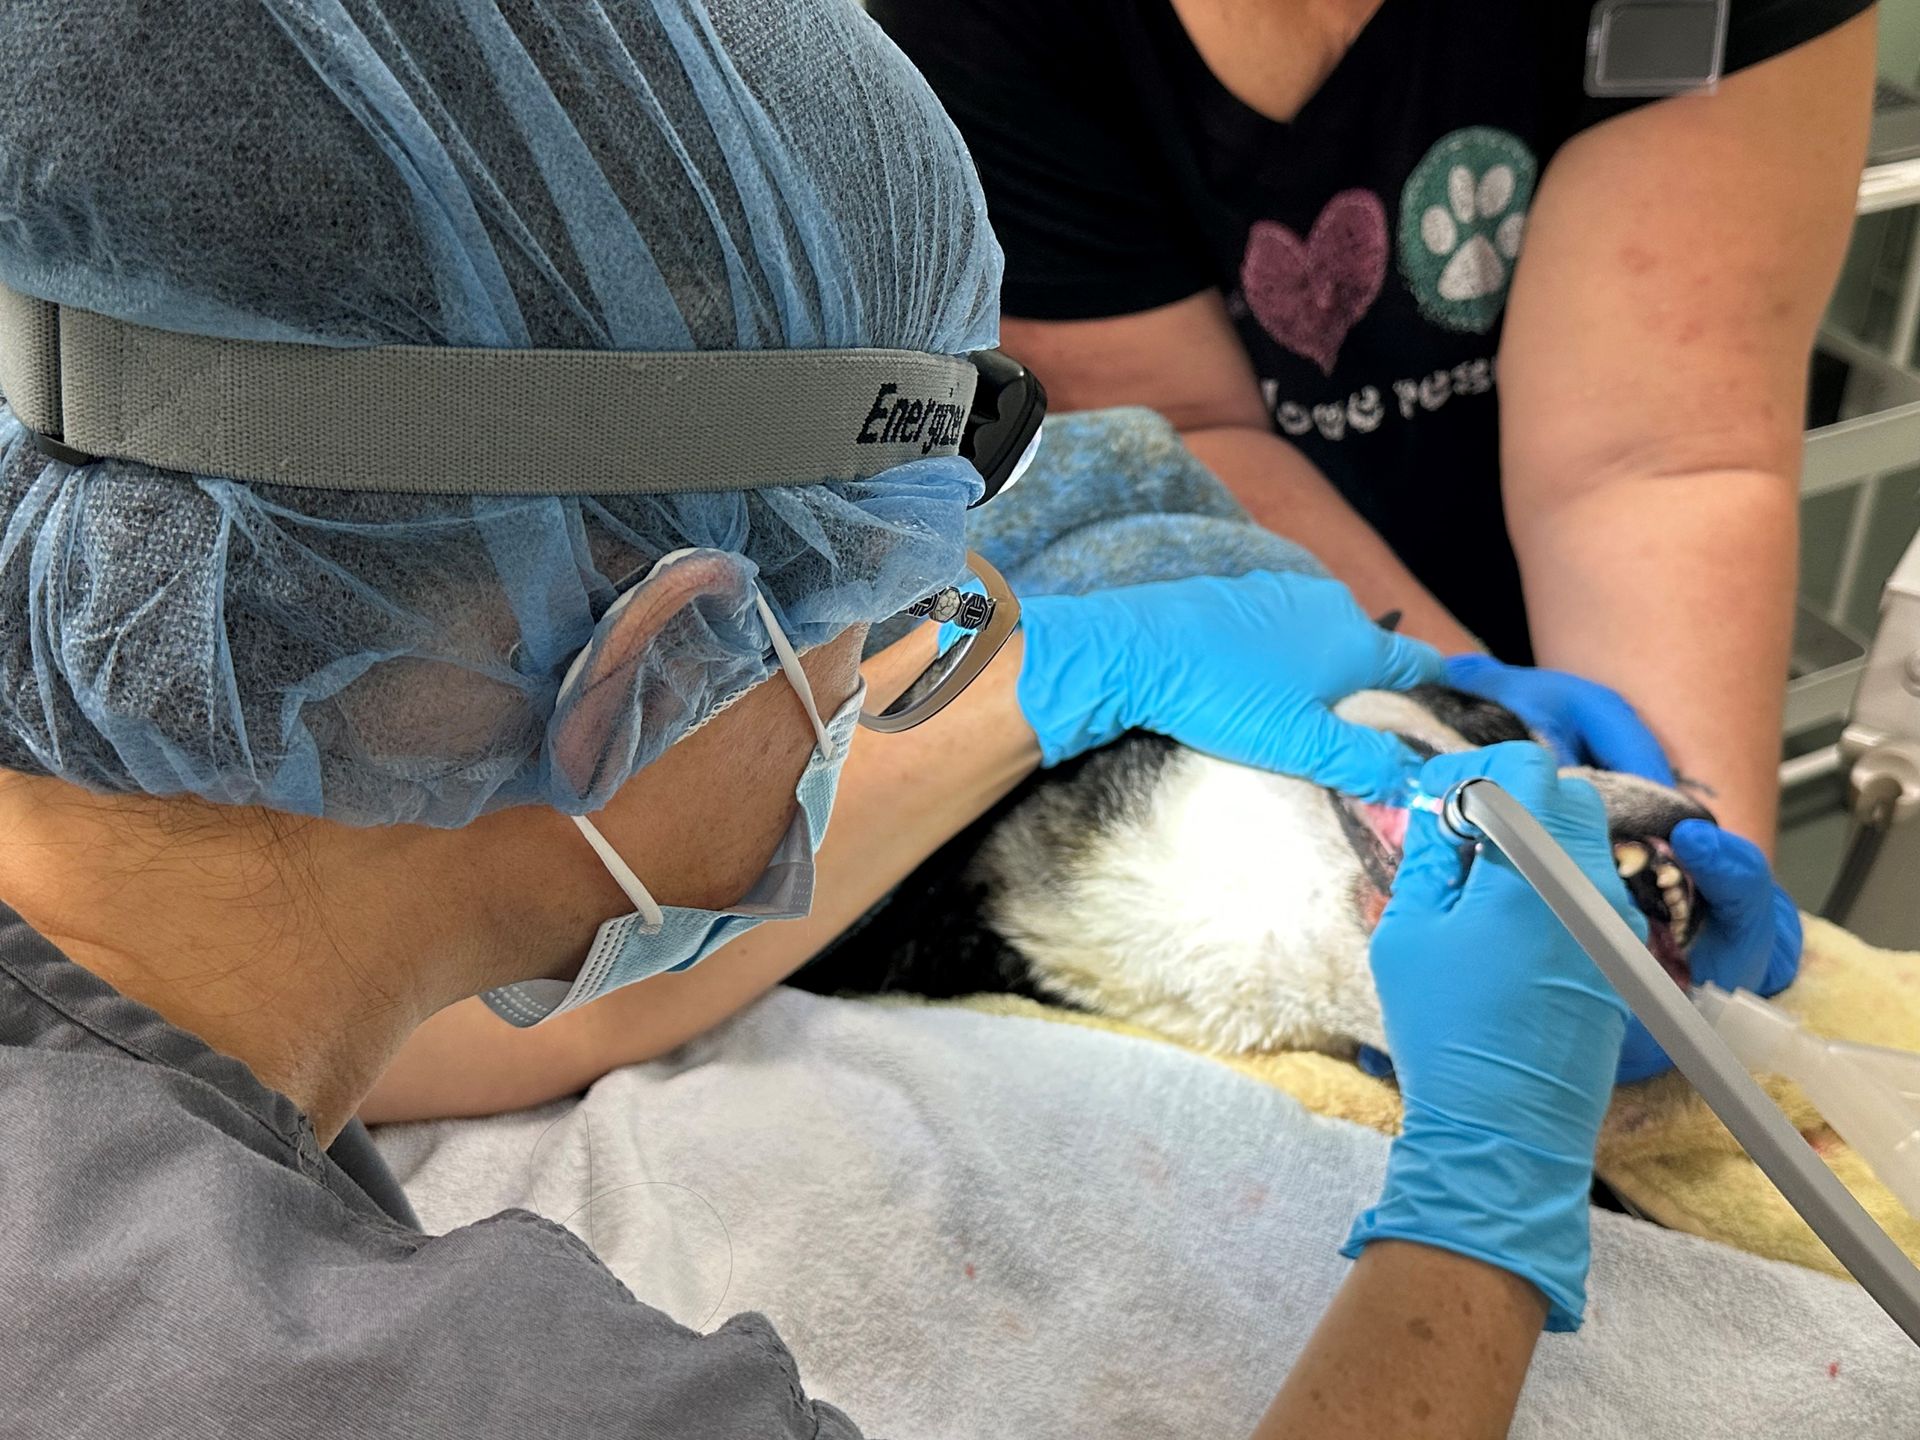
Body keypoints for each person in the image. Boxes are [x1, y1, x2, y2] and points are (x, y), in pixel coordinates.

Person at [0, 2, 1658, 1436]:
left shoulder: (138, 988)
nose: (892, 668)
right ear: (653, 655)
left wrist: (1056, 671)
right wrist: (1481, 1207)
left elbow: (424, 984)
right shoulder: (424, 1392)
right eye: (881, 599)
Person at [869, 0, 1878, 1074]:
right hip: (1243, 646)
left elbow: (1660, 459)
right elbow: (1185, 433)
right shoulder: (962, 29)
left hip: (1571, 643)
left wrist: (1670, 889)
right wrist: (1449, 725)